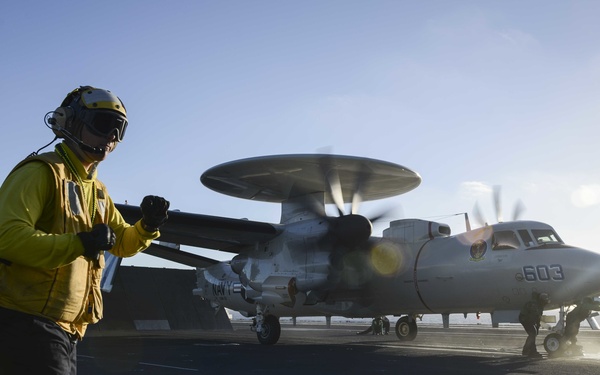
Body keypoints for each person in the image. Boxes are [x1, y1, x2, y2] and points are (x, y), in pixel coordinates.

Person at [0, 86, 170, 374]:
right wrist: (79, 244)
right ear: (69, 121)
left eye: (119, 130)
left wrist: (147, 226)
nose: (111, 138)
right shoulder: (41, 173)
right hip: (25, 323)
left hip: (67, 330)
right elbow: (7, 238)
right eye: (104, 125)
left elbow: (122, 243)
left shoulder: (97, 192)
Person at [518, 292, 550, 358]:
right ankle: (532, 351)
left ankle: (526, 350)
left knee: (533, 334)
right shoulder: (534, 304)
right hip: (525, 318)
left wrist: (537, 326)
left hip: (529, 318)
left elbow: (538, 317)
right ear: (541, 300)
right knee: (532, 334)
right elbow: (533, 317)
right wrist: (536, 327)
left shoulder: (540, 305)